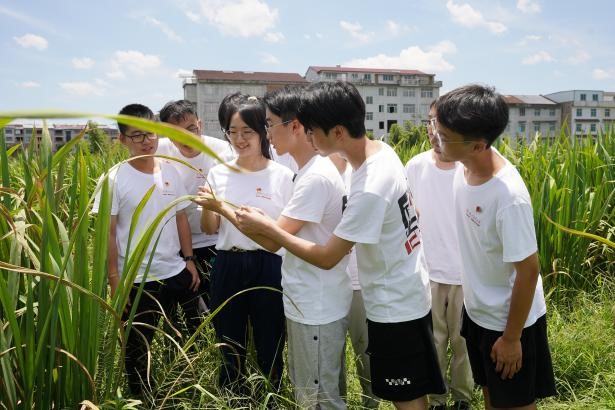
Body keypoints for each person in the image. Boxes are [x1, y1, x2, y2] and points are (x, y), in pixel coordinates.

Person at [234, 81, 445, 410]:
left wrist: (269, 230)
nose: (309, 135)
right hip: (405, 291)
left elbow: (328, 257)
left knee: (406, 398)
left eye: (313, 129)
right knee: (410, 390)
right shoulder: (381, 153)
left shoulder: (370, 186)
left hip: (395, 305)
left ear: (336, 131)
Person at [433, 84, 556, 410]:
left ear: (477, 145)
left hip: (510, 322)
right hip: (478, 314)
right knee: (491, 394)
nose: (436, 139)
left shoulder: (508, 196)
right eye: (436, 129)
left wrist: (512, 339)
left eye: (444, 136)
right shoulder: (464, 167)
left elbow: (528, 272)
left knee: (515, 403)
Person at [92, 103, 201, 395]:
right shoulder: (113, 180)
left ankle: (185, 394)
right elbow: (109, 233)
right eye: (138, 136)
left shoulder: (170, 170)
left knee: (194, 341)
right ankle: (144, 400)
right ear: (122, 140)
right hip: (138, 282)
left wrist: (189, 260)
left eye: (151, 132)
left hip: (177, 272)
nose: (147, 141)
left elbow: (180, 217)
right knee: (138, 355)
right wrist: (116, 281)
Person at [197, 94, 294, 392]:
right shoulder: (218, 172)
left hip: (269, 264)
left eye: (247, 131)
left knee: (271, 338)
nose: (239, 139)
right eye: (232, 131)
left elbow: (285, 232)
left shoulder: (282, 175)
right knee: (228, 340)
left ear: (263, 131)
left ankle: (272, 394)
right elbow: (210, 228)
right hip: (227, 262)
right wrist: (209, 208)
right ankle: (231, 395)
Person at [405, 102, 473, 410]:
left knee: (463, 343)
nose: (435, 131)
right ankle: (437, 398)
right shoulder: (416, 167)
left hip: (465, 273)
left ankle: (463, 397)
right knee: (433, 341)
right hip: (428, 270)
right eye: (431, 123)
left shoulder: (469, 169)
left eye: (441, 124)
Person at [157, 99, 235, 309]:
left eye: (191, 129)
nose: (187, 138)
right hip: (177, 245)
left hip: (215, 240)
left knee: (218, 302)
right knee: (184, 309)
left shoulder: (222, 151)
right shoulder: (159, 150)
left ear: (199, 124)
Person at [329, 152, 380, 410]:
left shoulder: (361, 178)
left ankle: (371, 401)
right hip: (327, 281)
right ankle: (339, 402)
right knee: (332, 353)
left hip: (358, 279)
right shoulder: (318, 177)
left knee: (365, 349)